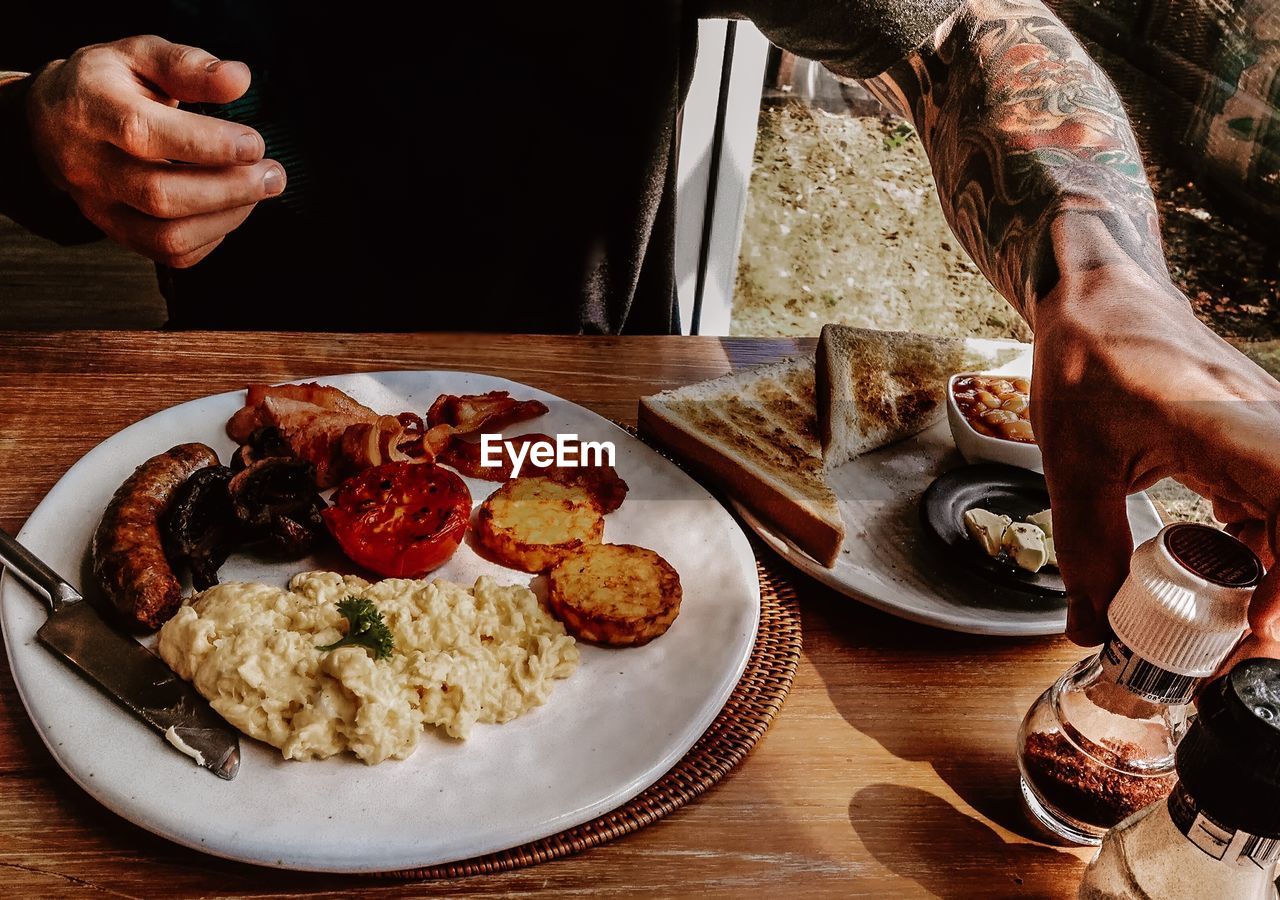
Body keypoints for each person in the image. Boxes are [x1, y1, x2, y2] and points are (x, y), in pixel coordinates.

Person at [0, 2, 1276, 656]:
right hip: (246, 388)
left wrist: (1104, 279)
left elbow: (950, 31)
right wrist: (36, 129)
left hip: (600, 413)